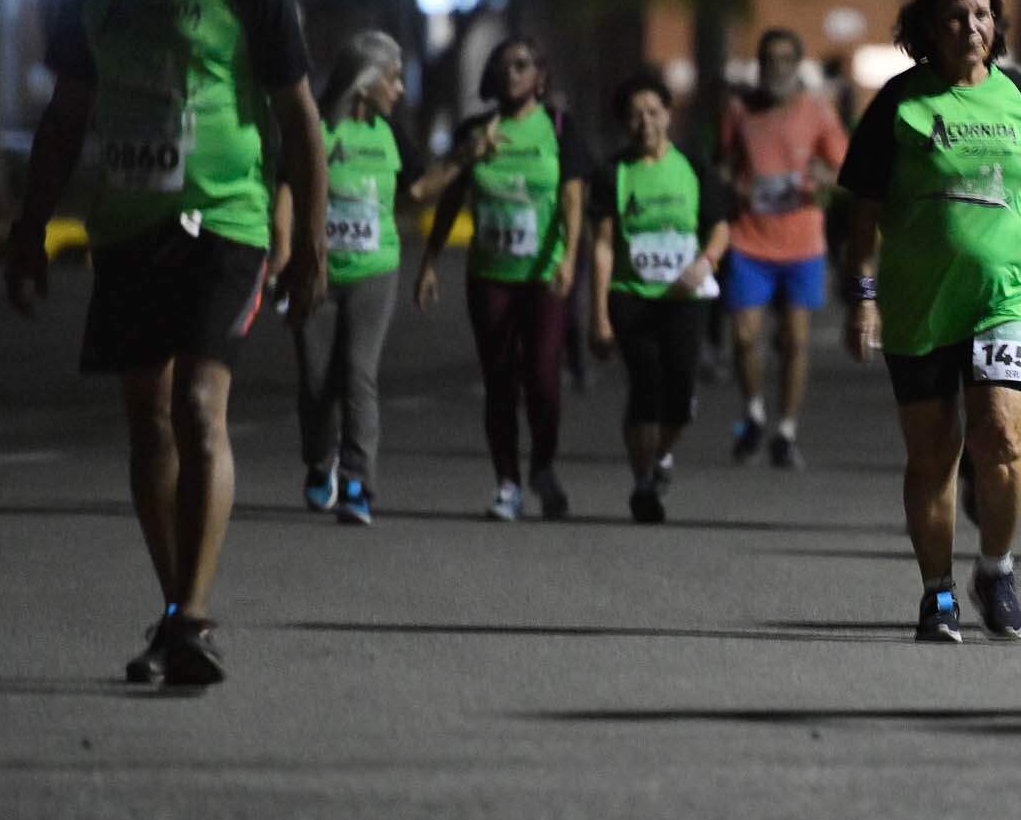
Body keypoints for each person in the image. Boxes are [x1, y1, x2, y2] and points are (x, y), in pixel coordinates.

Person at [4, 0, 327, 686]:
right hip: (127, 224)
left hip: (225, 217)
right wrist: (29, 229)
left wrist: (309, 239)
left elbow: (299, 116)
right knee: (147, 419)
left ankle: (193, 613)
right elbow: (66, 114)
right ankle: (179, 610)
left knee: (198, 406)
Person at [837, 0, 1021, 643]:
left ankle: (996, 569)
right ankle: (938, 591)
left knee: (1001, 435)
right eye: (954, 15)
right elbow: (863, 214)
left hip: (1002, 299)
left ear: (996, 24)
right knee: (933, 454)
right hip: (918, 305)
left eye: (981, 14)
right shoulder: (899, 102)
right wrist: (863, 296)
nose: (970, 26)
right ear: (928, 28)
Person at [275, 30, 466, 526]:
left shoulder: (390, 135)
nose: (399, 89)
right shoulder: (315, 127)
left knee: (358, 373)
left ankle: (358, 482)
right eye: (393, 78)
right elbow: (287, 192)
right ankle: (320, 461)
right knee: (316, 381)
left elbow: (418, 189)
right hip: (316, 272)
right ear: (364, 82)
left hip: (375, 271)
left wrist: (463, 158)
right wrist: (283, 257)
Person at [415, 36, 593, 521]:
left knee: (543, 378)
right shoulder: (476, 130)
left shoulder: (559, 128)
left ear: (540, 75)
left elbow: (572, 198)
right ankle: (508, 483)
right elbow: (449, 198)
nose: (512, 73)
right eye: (503, 65)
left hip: (543, 274)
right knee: (499, 381)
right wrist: (430, 261)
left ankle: (544, 465)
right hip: (490, 274)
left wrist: (568, 259)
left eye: (522, 64)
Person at [588, 69, 733, 523]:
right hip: (632, 295)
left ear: (668, 115)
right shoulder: (613, 172)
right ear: (623, 123)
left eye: (653, 112)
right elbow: (603, 246)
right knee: (645, 386)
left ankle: (661, 454)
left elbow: (720, 226)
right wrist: (599, 316)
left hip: (685, 300)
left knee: (681, 396)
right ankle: (643, 483)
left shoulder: (693, 167)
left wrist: (705, 262)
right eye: (635, 115)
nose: (645, 122)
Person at [718, 27, 849, 469]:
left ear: (797, 64)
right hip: (749, 237)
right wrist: (734, 184)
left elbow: (843, 168)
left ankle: (786, 430)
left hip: (801, 241)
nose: (776, 67)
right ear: (759, 65)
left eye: (785, 59)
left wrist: (822, 178)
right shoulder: (739, 110)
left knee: (794, 339)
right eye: (768, 59)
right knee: (744, 336)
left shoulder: (818, 110)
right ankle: (754, 412)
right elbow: (722, 163)